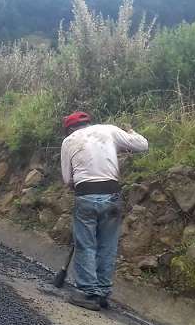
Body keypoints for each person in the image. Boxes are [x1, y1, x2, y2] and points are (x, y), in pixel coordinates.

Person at [60, 112, 149, 311]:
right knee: (107, 246)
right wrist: (131, 132)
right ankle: (102, 293)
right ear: (88, 123)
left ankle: (88, 293)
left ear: (70, 129)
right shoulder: (108, 130)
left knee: (86, 245)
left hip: (86, 196)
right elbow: (143, 145)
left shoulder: (69, 141)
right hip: (112, 195)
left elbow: (68, 180)